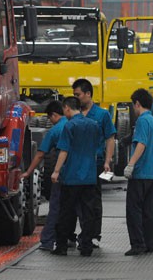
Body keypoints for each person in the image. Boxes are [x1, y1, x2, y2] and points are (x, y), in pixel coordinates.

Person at [50, 96, 102, 257]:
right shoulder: (94, 125)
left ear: (66, 108)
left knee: (66, 212)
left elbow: (64, 150)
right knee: (88, 213)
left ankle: (61, 246)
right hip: (89, 176)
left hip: (72, 176)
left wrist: (56, 171)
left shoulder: (69, 126)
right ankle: (86, 246)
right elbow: (96, 148)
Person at [72, 78, 116, 247]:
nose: (76, 98)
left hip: (95, 162)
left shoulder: (102, 114)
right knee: (77, 200)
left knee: (94, 201)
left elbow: (110, 138)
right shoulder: (74, 114)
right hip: (76, 164)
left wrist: (107, 161)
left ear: (88, 94)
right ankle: (80, 233)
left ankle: (93, 235)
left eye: (78, 94)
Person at [20, 101, 67, 251]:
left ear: (54, 115)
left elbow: (40, 154)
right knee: (75, 209)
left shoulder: (55, 130)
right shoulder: (74, 125)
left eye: (50, 118)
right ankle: (74, 239)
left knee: (55, 208)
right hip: (80, 175)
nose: (50, 121)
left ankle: (47, 241)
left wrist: (28, 172)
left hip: (62, 174)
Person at [123, 88, 153, 256]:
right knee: (148, 211)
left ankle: (138, 245)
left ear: (137, 104)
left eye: (133, 105)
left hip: (140, 174)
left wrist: (131, 164)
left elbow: (141, 143)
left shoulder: (142, 121)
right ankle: (149, 244)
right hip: (152, 173)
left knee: (133, 210)